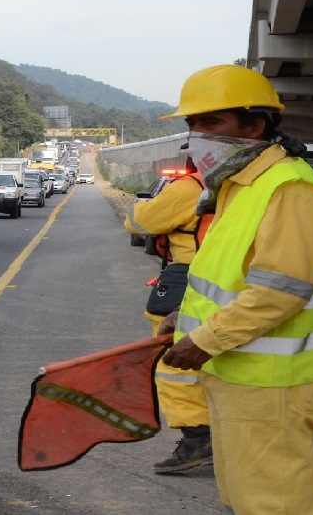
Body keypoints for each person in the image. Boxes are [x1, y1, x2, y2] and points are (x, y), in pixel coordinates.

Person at [159, 64, 313, 515]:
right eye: (192, 125)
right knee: (247, 493)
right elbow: (230, 276)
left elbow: (281, 290)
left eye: (211, 123)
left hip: (275, 379)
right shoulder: (241, 186)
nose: (197, 136)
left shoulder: (290, 190)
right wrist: (183, 318)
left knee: (273, 501)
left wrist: (203, 340)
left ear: (255, 125)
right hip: (241, 372)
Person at [123, 157, 211, 474]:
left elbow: (139, 222)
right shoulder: (254, 184)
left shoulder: (192, 187)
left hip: (189, 277)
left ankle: (199, 438)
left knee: (173, 360)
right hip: (235, 279)